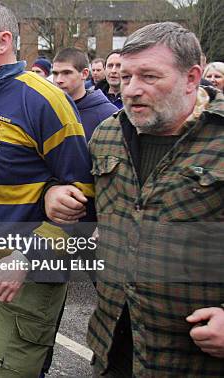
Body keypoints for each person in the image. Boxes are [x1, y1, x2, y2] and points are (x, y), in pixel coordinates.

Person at [46, 22, 224, 376]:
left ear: (191, 78)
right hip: (112, 348)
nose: (131, 90)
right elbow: (79, 191)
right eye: (126, 77)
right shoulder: (108, 133)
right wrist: (54, 193)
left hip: (192, 359)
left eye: (149, 77)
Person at [0, 2, 94, 376]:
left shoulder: (43, 99)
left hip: (23, 273)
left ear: (3, 41)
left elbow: (85, 195)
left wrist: (25, 258)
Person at [52, 47, 119, 140]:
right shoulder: (48, 110)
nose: (59, 80)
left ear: (84, 73)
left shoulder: (108, 114)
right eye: (55, 73)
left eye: (66, 73)